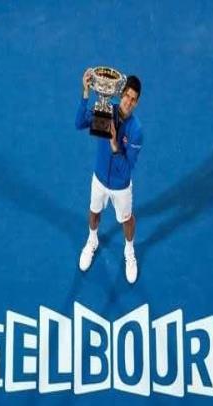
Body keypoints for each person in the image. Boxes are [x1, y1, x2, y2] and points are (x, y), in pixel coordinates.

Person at [75, 68, 143, 284]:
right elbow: (79, 123)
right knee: (94, 213)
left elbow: (126, 169)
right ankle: (92, 240)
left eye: (133, 99)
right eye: (127, 96)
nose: (128, 102)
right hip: (99, 179)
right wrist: (86, 93)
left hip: (121, 186)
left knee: (127, 220)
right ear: (120, 94)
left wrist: (114, 145)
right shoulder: (105, 111)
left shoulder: (136, 130)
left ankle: (129, 251)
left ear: (137, 102)